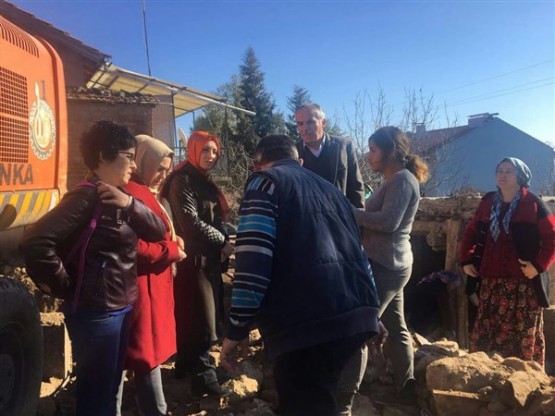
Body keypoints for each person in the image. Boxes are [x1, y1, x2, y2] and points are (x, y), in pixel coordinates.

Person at [220, 134, 381, 416]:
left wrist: (236, 328)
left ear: (258, 164)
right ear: (299, 161)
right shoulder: (332, 191)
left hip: (306, 326)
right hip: (353, 318)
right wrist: (373, 311)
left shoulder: (265, 183)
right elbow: (357, 253)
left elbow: (252, 261)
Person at [20, 121, 166, 416]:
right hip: (97, 314)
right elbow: (36, 241)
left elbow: (157, 230)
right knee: (97, 395)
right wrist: (67, 286)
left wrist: (130, 204)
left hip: (121, 308)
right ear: (102, 157)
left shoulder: (119, 196)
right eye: (127, 155)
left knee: (109, 388)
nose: (133, 164)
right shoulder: (87, 196)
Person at [353, 126, 429, 404]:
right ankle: (405, 386)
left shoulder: (402, 180)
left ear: (390, 152)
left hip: (388, 265)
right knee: (395, 326)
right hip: (390, 262)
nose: (369, 155)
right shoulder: (394, 180)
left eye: (373, 150)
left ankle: (347, 396)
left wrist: (351, 212)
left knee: (360, 327)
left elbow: (388, 222)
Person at [461, 157, 555, 366]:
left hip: (524, 284)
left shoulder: (532, 204)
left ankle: (522, 383)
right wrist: (467, 260)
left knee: (522, 333)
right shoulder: (487, 203)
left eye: (509, 171)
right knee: (487, 332)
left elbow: (552, 238)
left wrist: (538, 266)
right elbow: (471, 232)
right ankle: (487, 379)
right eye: (500, 171)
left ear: (520, 177)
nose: (502, 175)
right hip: (491, 281)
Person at [117, 135, 187, 415]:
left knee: (142, 357)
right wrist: (170, 250)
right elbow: (130, 245)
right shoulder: (129, 193)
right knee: (141, 357)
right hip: (138, 290)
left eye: (168, 169)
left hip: (150, 289)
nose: (163, 175)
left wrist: (174, 239)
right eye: (159, 168)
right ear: (141, 162)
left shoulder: (144, 192)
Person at [161, 131, 234, 396]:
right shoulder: (182, 180)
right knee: (202, 318)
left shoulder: (201, 179)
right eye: (205, 151)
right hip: (193, 261)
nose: (211, 156)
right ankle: (204, 377)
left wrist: (223, 237)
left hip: (207, 261)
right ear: (193, 150)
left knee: (196, 315)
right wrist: (223, 242)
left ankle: (185, 366)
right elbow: (190, 223)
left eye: (214, 152)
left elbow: (211, 217)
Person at [294, 103, 365, 208]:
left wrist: (358, 219)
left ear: (323, 122)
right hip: (307, 220)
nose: (304, 128)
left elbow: (356, 187)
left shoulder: (344, 146)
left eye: (310, 122)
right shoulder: (293, 152)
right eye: (300, 124)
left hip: (341, 217)